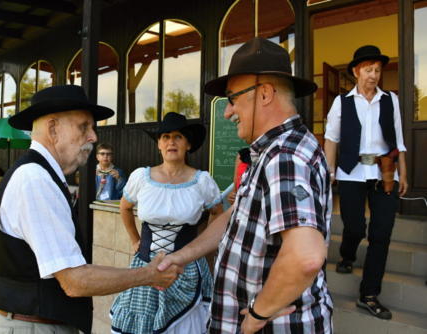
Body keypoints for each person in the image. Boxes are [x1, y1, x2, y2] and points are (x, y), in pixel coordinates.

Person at [158, 37, 333, 334]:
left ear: (264, 94)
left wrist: (255, 315)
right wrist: (181, 256)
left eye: (233, 99)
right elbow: (236, 216)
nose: (227, 112)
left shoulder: (284, 157)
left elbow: (306, 256)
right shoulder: (272, 152)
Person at [0, 85, 181, 334]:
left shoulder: (36, 174)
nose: (93, 137)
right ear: (53, 129)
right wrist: (148, 275)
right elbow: (74, 282)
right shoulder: (36, 179)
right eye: (84, 126)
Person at [110, 112, 223, 334]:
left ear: (188, 145)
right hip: (145, 266)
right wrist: (135, 240)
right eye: (165, 137)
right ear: (159, 145)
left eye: (178, 136)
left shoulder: (202, 181)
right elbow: (125, 207)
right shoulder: (141, 177)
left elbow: (217, 213)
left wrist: (200, 245)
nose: (171, 141)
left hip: (187, 268)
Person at [324, 45, 408, 320]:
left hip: (384, 174)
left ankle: (369, 294)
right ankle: (347, 255)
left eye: (377, 70)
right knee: (355, 226)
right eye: (368, 69)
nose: (373, 75)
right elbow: (331, 139)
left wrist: (402, 173)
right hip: (351, 173)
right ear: (356, 71)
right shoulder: (342, 102)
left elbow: (398, 141)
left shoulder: (390, 100)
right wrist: (329, 171)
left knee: (381, 233)